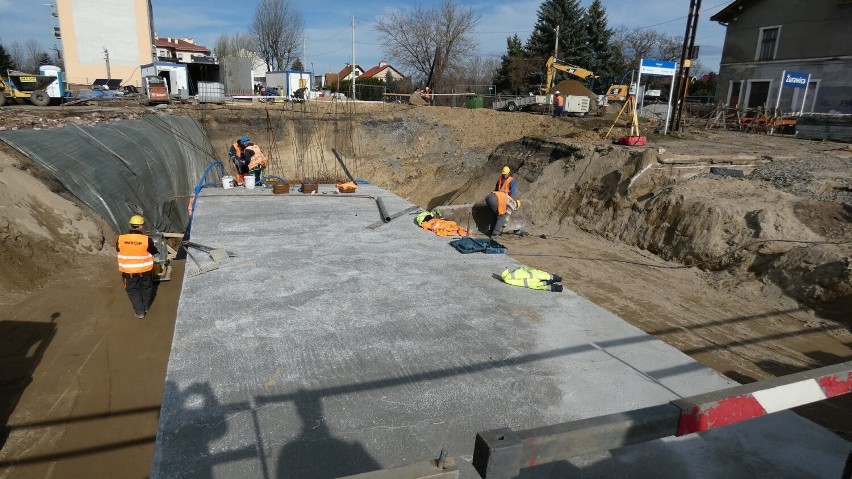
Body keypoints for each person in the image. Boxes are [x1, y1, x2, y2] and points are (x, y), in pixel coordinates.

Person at [116, 215, 159, 318]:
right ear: (141, 226)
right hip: (145, 271)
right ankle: (146, 307)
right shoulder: (146, 240)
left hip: (128, 272)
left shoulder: (121, 239)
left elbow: (118, 250)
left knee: (132, 290)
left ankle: (140, 312)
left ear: (131, 225)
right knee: (146, 288)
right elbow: (154, 251)